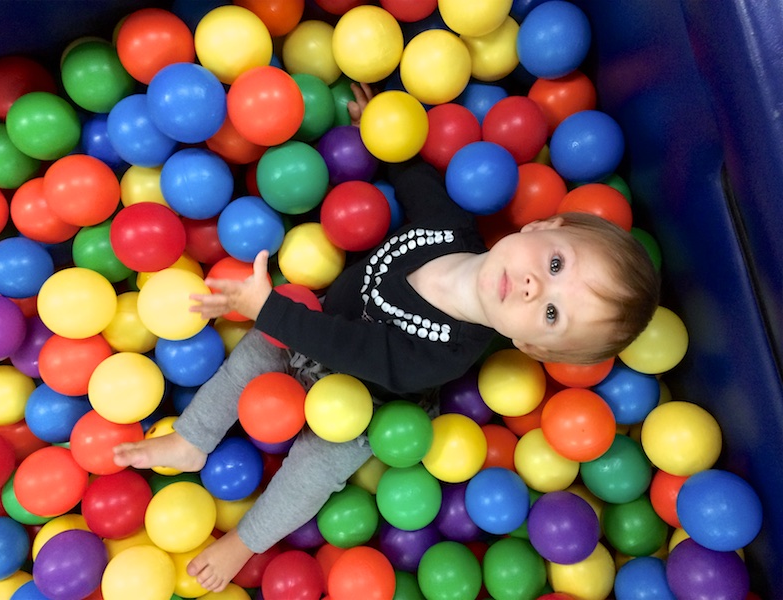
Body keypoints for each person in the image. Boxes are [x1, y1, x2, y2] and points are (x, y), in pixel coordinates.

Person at [114, 83, 660, 592]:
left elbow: (358, 352)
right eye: (556, 265)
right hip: (322, 324)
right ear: (542, 229)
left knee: (320, 465)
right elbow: (415, 182)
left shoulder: (446, 351)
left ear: (530, 348)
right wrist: (383, 134)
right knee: (255, 356)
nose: (532, 285)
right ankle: (192, 439)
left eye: (549, 314)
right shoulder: (452, 227)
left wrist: (269, 310)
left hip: (367, 399)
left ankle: (245, 540)